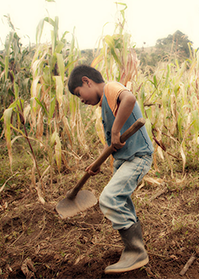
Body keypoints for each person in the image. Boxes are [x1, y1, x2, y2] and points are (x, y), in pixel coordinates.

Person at [67, 64, 155, 274]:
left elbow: (130, 99)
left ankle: (136, 252)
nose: (81, 100)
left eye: (79, 93)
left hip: (137, 157)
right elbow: (111, 143)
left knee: (109, 199)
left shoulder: (111, 88)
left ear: (87, 81)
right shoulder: (105, 105)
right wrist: (96, 163)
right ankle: (134, 249)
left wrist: (116, 129)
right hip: (124, 160)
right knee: (120, 199)